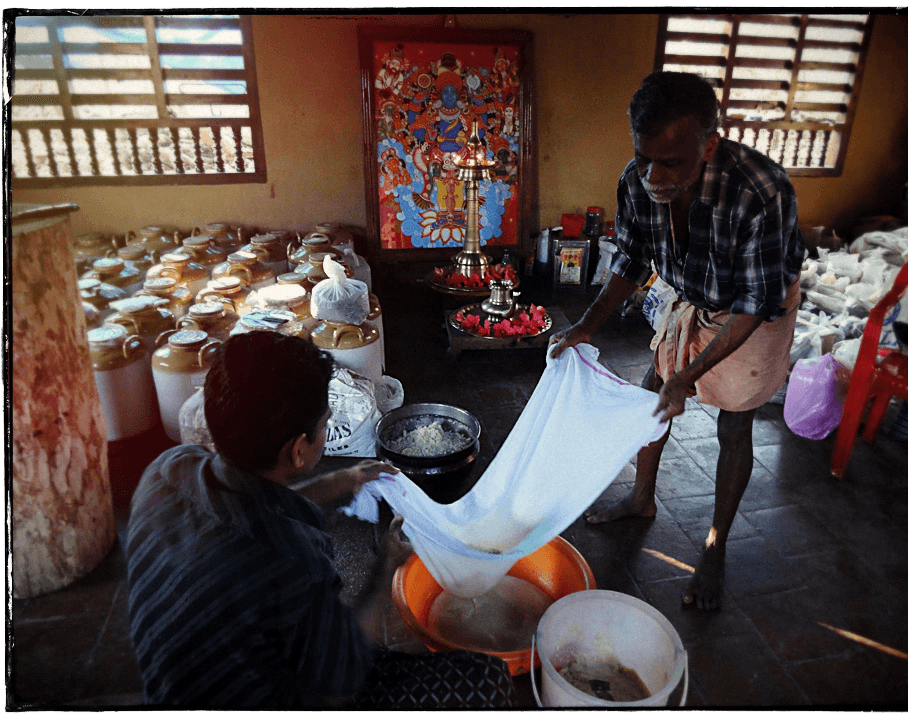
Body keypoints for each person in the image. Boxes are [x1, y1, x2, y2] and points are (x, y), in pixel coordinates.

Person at [124, 331, 515, 709]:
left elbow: (254, 508)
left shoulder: (169, 469)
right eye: (324, 422)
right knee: (486, 680)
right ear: (299, 450)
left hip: (174, 688)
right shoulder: (292, 560)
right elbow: (337, 687)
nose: (326, 428)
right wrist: (384, 564)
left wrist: (340, 481)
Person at [550, 71, 804, 611]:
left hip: (751, 311)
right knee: (652, 396)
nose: (653, 176)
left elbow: (754, 304)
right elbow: (631, 260)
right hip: (691, 297)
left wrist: (688, 377)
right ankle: (642, 501)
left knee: (735, 422)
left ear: (709, 144)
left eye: (671, 163)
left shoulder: (761, 192)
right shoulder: (636, 179)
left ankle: (715, 545)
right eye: (644, 158)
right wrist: (587, 326)